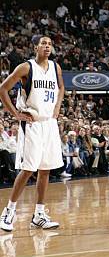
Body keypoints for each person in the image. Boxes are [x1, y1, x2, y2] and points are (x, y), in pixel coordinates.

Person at [0, 36, 64, 232]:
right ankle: (8, 211)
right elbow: (3, 89)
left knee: (45, 170)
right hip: (32, 123)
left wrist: (57, 108)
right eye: (43, 43)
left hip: (49, 123)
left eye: (50, 44)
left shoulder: (55, 67)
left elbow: (61, 88)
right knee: (28, 169)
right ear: (35, 46)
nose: (47, 46)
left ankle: (39, 214)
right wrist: (16, 114)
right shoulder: (25, 68)